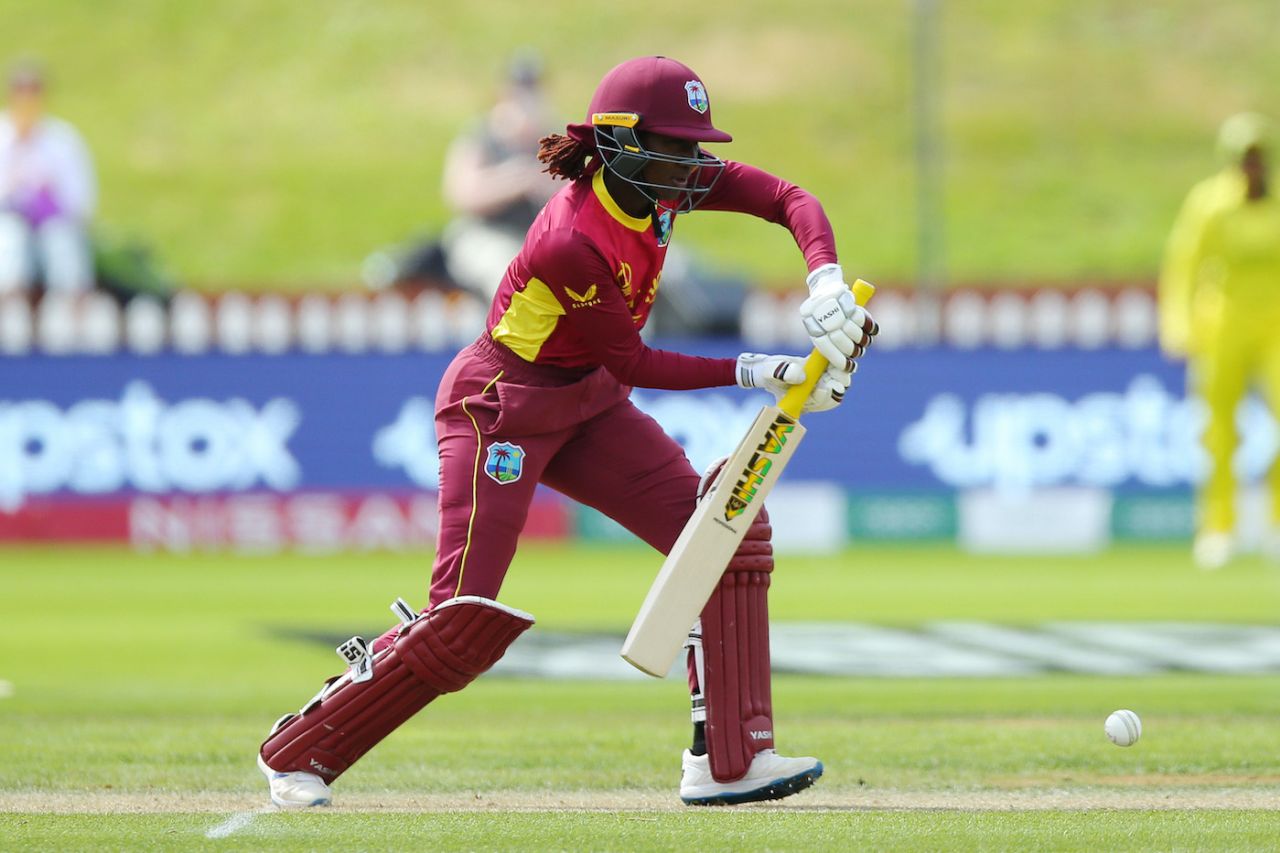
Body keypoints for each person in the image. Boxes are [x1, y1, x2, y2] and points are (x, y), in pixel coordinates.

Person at [257, 56, 877, 808]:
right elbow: (635, 359)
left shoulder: (666, 185)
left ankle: (729, 759)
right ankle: (298, 750)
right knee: (461, 620)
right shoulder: (571, 238)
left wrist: (824, 279)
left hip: (589, 403)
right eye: (674, 148)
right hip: (502, 405)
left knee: (727, 533)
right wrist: (760, 369)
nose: (692, 165)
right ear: (621, 144)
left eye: (694, 147)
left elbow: (788, 197)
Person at [1159, 112, 1280, 569]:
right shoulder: (1210, 204)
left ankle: (1277, 523)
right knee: (1220, 433)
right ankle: (1219, 527)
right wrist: (1180, 325)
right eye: (1243, 158)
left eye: (1257, 157)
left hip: (1275, 326)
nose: (1251, 166)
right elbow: (1185, 264)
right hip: (1224, 324)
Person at [439, 52, 560, 301]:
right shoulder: (482, 137)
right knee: (509, 271)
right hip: (486, 233)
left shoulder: (555, 136)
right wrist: (515, 179)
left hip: (543, 237)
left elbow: (580, 194)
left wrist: (542, 179)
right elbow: (462, 195)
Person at [0, 60, 97, 294]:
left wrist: (49, 197)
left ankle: (68, 306)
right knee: (10, 239)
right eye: (22, 91)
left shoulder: (63, 140)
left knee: (61, 243)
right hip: (7, 224)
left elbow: (82, 201)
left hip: (53, 226)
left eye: (33, 92)